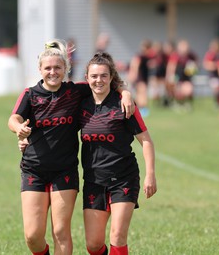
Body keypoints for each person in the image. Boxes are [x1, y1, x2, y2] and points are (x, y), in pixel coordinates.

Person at [8, 39, 134, 255]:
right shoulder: (30, 94)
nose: (53, 72)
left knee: (60, 230)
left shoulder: (75, 92)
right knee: (32, 236)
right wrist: (19, 128)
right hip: (33, 170)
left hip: (64, 171)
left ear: (65, 69)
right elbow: (13, 118)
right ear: (40, 70)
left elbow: (105, 81)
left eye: (58, 67)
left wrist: (126, 93)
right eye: (48, 68)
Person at [80, 52, 157, 255]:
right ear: (86, 78)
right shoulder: (80, 103)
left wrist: (150, 174)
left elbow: (146, 141)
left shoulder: (125, 105)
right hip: (93, 180)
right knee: (93, 244)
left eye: (104, 76)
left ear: (112, 78)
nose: (99, 80)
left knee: (117, 236)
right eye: (94, 76)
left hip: (123, 178)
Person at [165, 39, 198, 111]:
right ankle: (175, 103)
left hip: (186, 79)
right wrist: (171, 78)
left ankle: (187, 103)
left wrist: (193, 69)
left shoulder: (191, 56)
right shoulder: (175, 56)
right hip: (177, 78)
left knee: (189, 90)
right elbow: (171, 67)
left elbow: (195, 67)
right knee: (175, 89)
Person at [127, 39, 153, 117]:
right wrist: (133, 75)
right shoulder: (140, 56)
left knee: (140, 93)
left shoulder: (147, 57)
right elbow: (135, 65)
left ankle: (139, 109)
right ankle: (142, 109)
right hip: (140, 78)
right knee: (142, 92)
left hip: (144, 77)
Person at [202, 38, 219, 106]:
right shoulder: (210, 54)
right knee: (217, 88)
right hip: (213, 77)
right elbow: (206, 64)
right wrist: (216, 65)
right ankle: (217, 102)